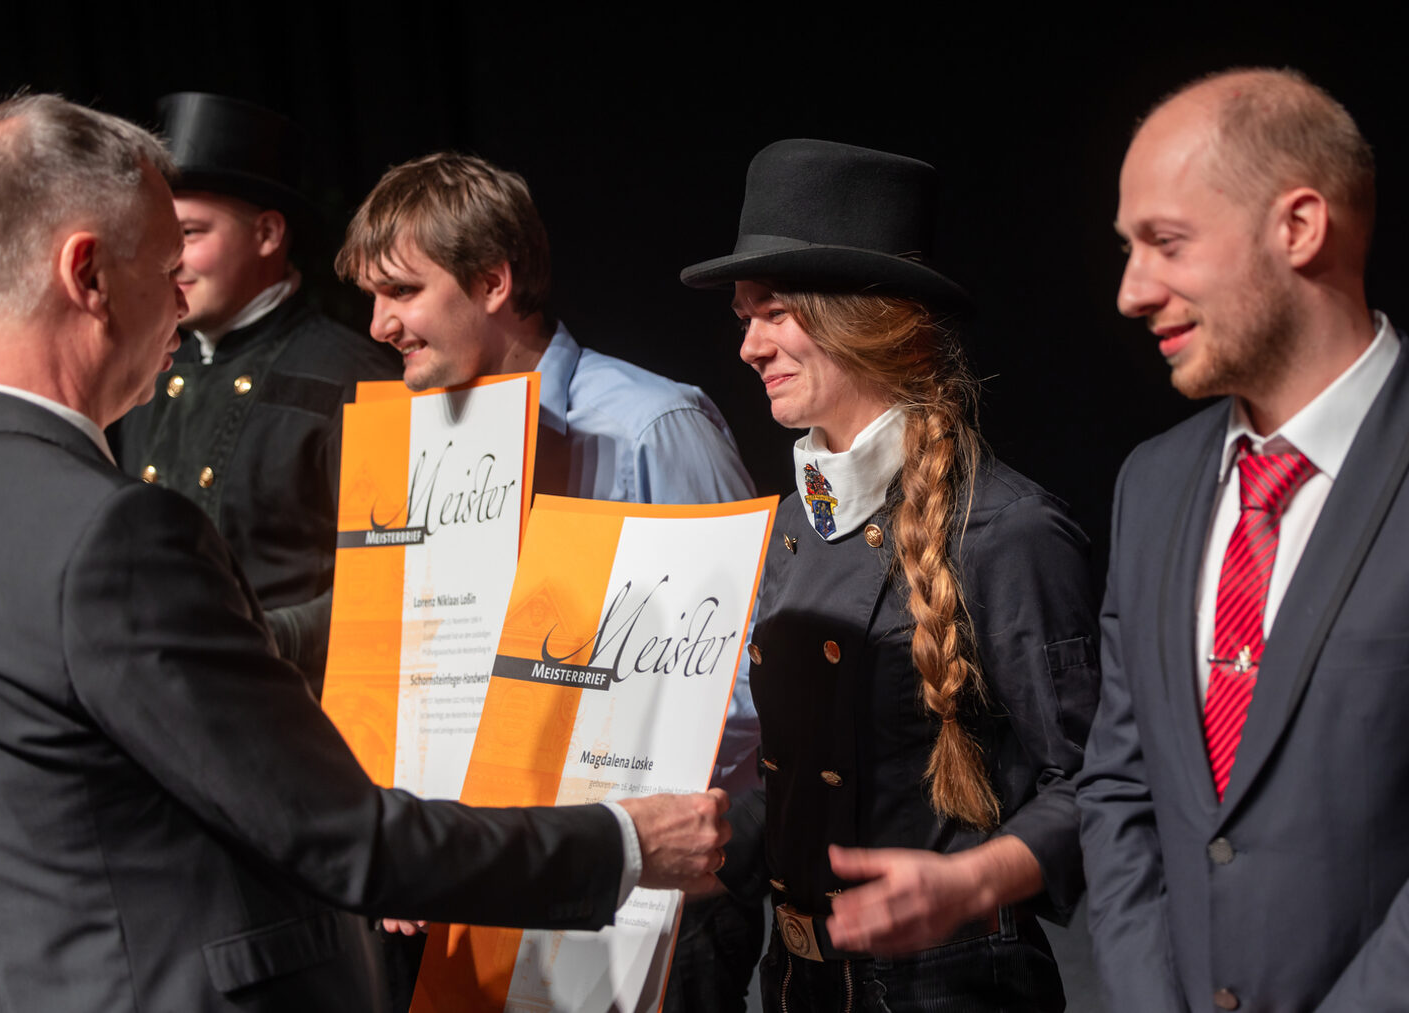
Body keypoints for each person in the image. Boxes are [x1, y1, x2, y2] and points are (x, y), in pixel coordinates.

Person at [0, 92, 729, 1013]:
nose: (181, 295)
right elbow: (348, 838)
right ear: (87, 275)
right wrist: (626, 843)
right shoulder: (113, 537)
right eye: (165, 267)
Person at [336, 151, 765, 1010]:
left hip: (644, 896)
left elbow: (745, 677)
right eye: (373, 299)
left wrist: (636, 833)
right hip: (479, 881)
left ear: (492, 281)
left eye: (403, 292)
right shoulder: (419, 447)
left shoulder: (650, 425)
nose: (380, 325)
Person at [680, 138, 1098, 1011]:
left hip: (950, 985)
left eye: (776, 311)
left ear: (868, 317)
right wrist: (712, 844)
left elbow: (1098, 787)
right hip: (795, 978)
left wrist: (975, 879)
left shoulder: (1006, 529)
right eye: (745, 315)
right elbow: (805, 781)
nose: (750, 344)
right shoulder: (794, 520)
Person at [1077, 68, 1409, 1011]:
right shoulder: (1152, 483)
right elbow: (1121, 791)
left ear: (1298, 228)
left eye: (1165, 243)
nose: (1131, 292)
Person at [111, 93, 403, 688]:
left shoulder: (356, 381)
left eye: (190, 233)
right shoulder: (145, 370)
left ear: (268, 233)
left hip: (301, 716)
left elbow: (398, 586)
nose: (170, 261)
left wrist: (268, 638)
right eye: (160, 239)